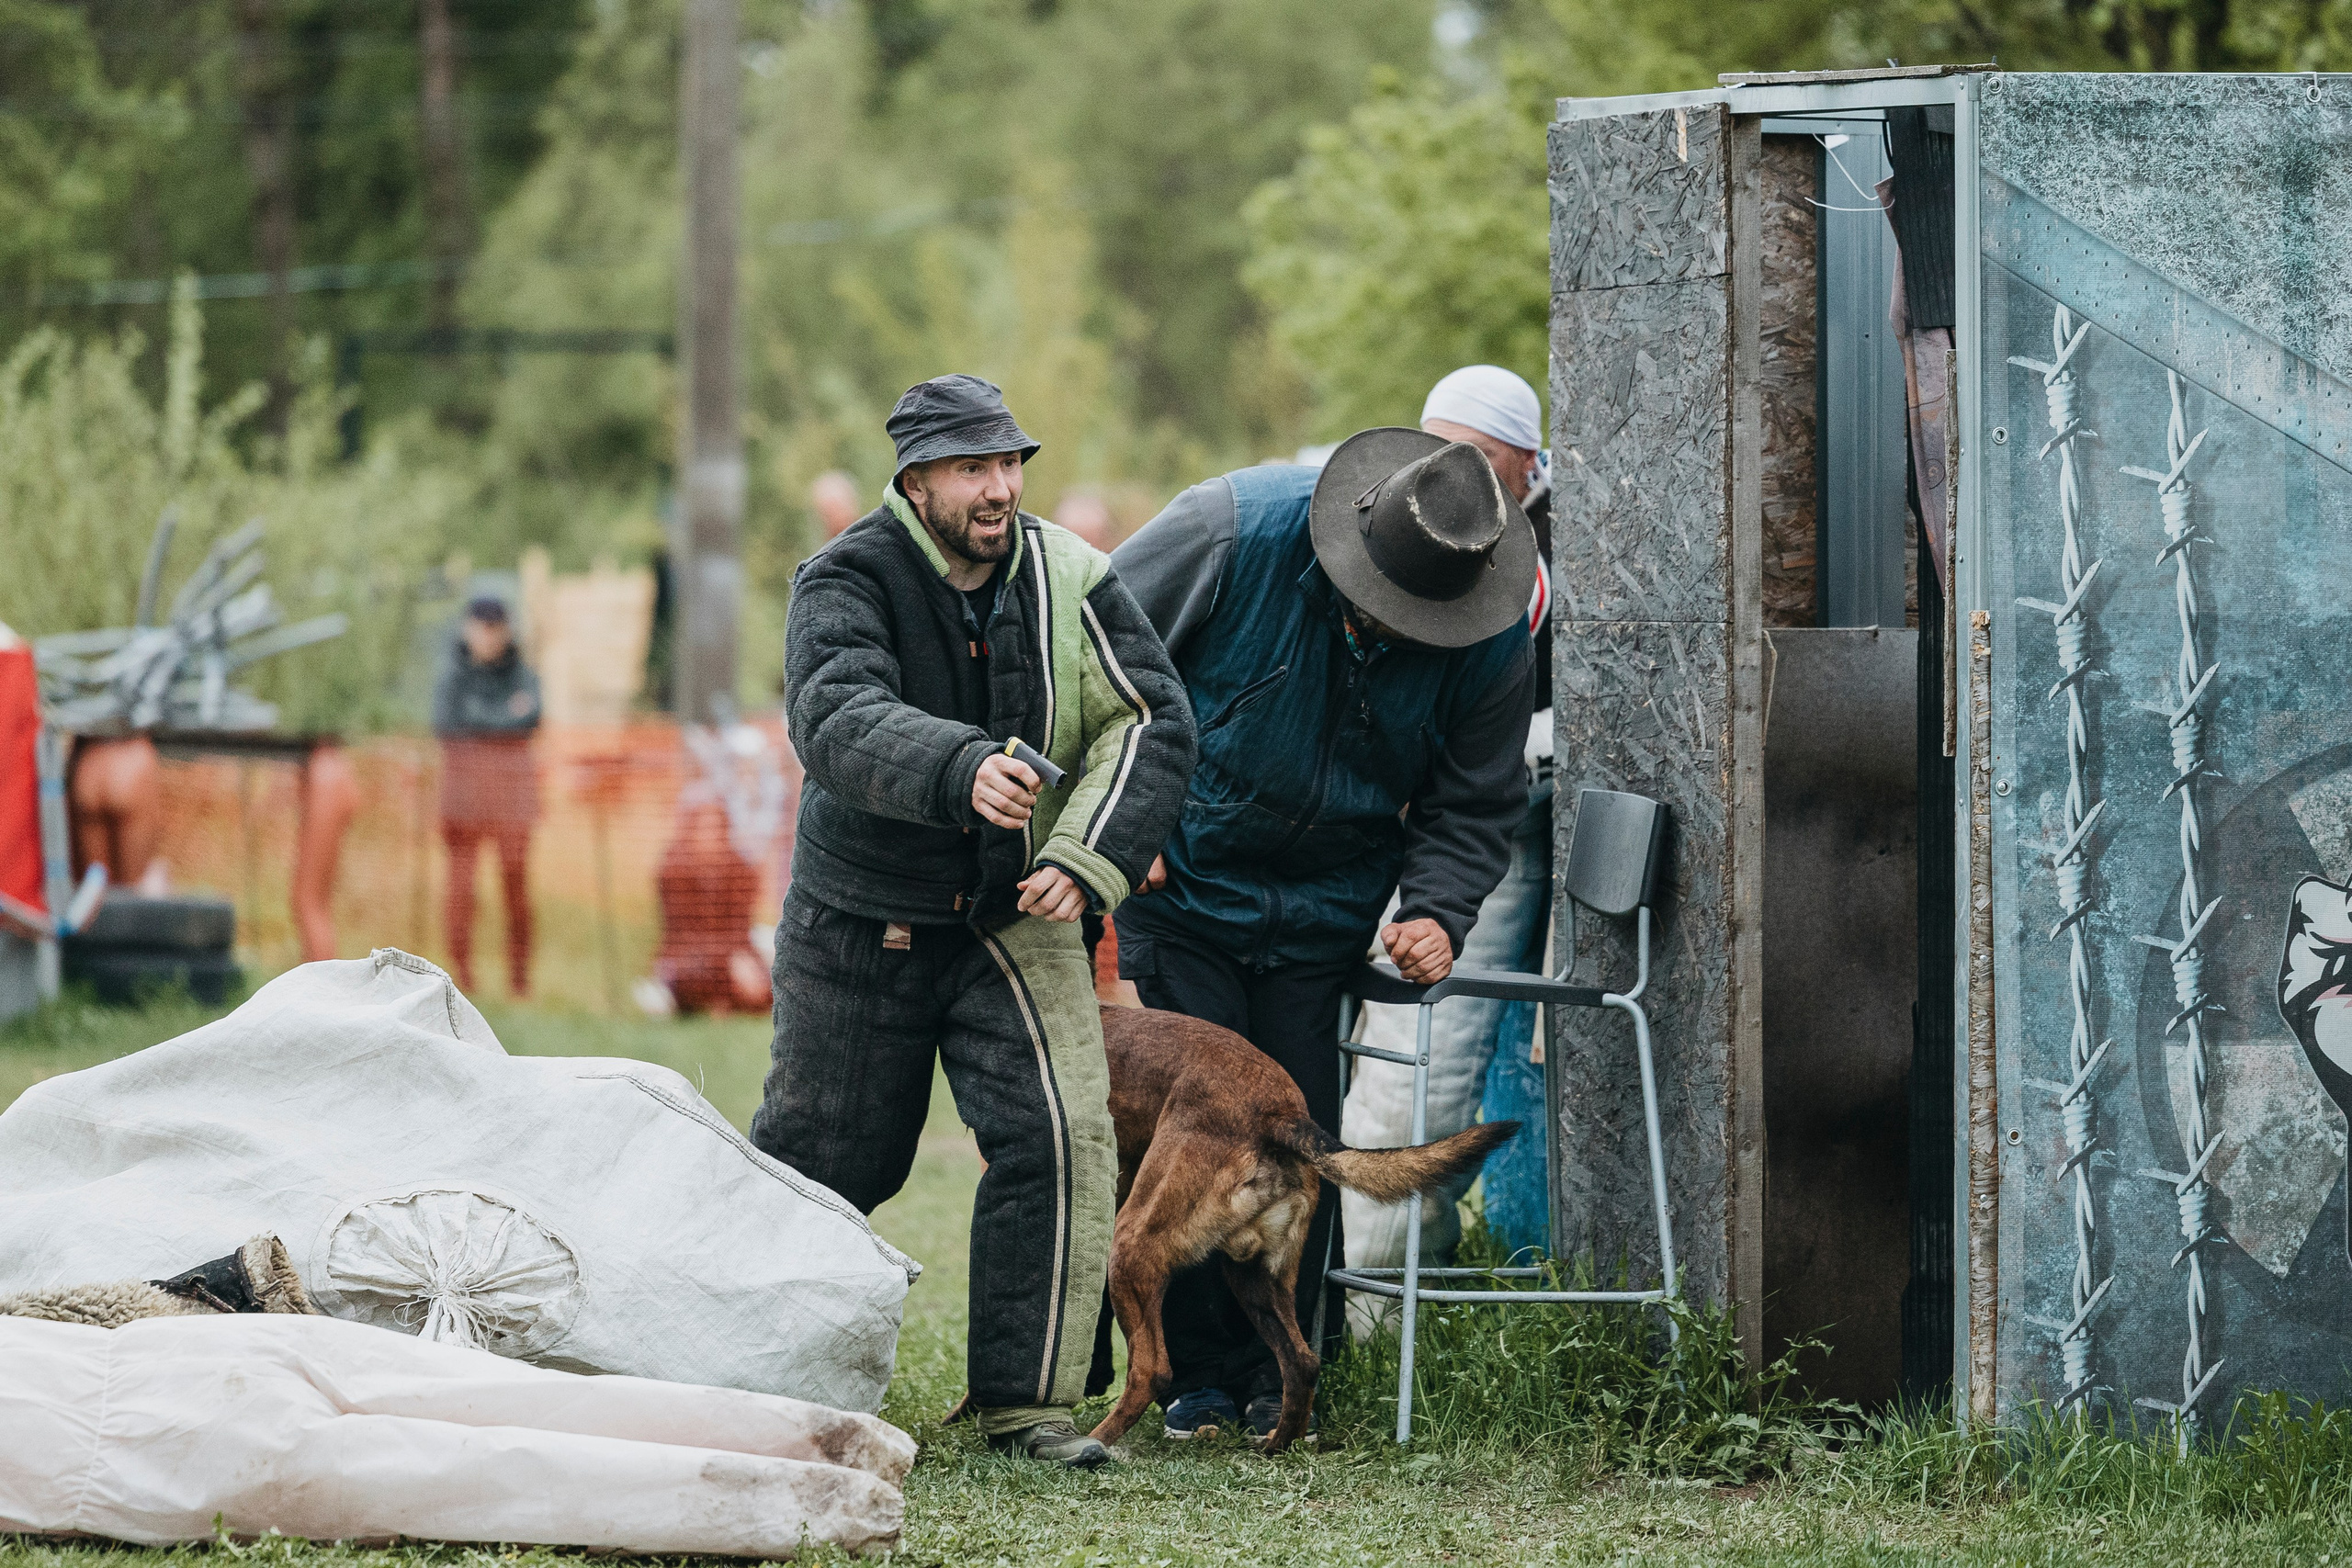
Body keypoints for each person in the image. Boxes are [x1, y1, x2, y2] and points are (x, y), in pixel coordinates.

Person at [750, 375, 1193, 1470]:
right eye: (972, 469)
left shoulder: (1071, 576)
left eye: (1009, 465)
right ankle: (755, 1376)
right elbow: (835, 714)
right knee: (825, 1158)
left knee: (1058, 1136)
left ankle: (1027, 1411)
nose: (999, 488)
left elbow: (1152, 719)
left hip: (1014, 910)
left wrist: (1084, 861)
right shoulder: (843, 578)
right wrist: (960, 768)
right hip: (861, 920)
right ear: (917, 483)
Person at [1108, 423, 1538, 1440]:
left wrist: (1436, 906)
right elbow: (1097, 659)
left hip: (1324, 911)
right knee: (1197, 1137)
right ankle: (1193, 1383)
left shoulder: (1490, 630)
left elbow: (1474, 800)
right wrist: (1134, 816)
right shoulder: (1227, 530)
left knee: (1293, 1140)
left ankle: (1287, 1378)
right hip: (1189, 886)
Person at [1341, 367, 1557, 1303]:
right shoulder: (1403, 517)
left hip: (1487, 816)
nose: (1446, 471)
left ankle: (1383, 1299)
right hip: (1402, 816)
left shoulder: (1553, 557)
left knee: (1410, 1077)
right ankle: (1359, 1294)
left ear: (1522, 465)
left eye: (1471, 456)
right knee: (1374, 1070)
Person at [432, 596, 541, 998]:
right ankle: (460, 978)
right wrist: (503, 716)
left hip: (513, 797)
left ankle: (520, 980)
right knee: (461, 889)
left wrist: (480, 717)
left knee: (516, 885)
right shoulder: (450, 679)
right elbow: (447, 723)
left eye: (495, 628)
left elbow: (530, 718)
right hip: (463, 799)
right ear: (466, 628)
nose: (488, 637)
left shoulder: (525, 676)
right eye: (481, 627)